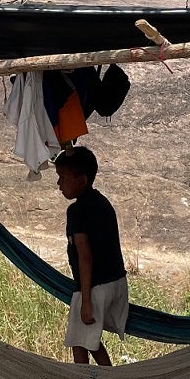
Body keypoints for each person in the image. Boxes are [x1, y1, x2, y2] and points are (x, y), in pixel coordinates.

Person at [54, 147, 128, 366]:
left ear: (82, 180)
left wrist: (86, 300)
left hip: (95, 287)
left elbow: (85, 256)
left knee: (79, 342)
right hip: (117, 282)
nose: (59, 184)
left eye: (63, 178)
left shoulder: (76, 211)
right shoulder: (103, 202)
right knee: (88, 340)